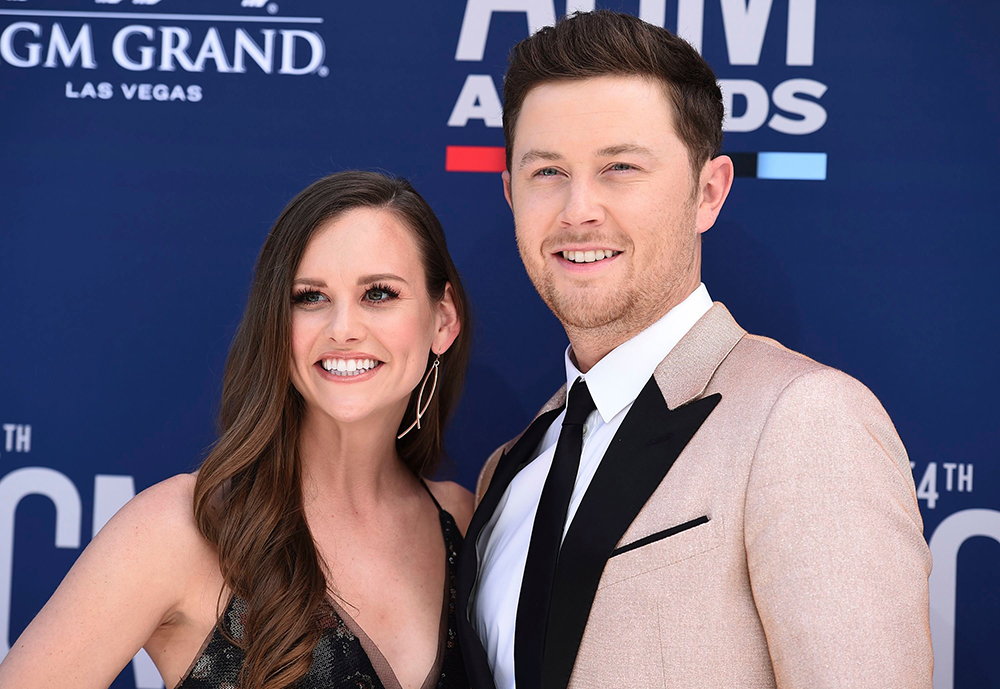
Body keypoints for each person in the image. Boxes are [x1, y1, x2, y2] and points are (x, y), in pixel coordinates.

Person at [456, 10, 932, 689]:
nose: (578, 209)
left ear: (708, 192)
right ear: (510, 193)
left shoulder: (805, 422)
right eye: (547, 172)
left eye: (620, 166)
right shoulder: (510, 467)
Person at [0, 171, 475, 689]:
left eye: (379, 293)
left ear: (442, 320)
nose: (342, 328)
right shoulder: (181, 530)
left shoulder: (461, 519)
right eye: (309, 297)